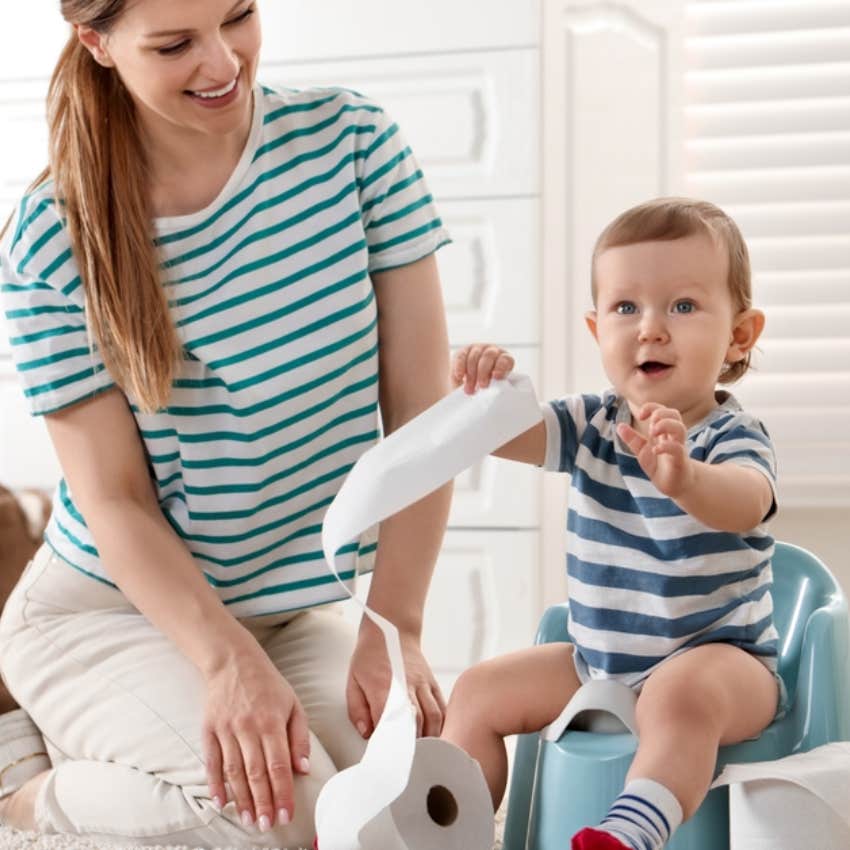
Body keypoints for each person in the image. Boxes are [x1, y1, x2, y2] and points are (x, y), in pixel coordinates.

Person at [0, 1, 453, 846]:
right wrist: (223, 665)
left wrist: (397, 630)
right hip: (108, 615)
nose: (223, 65)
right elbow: (116, 502)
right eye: (174, 45)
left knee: (394, 810)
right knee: (280, 824)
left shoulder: (352, 144)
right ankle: (29, 796)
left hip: (281, 606)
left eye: (238, 16)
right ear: (95, 43)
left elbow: (423, 416)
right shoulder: (50, 237)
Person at [442, 197, 782, 850]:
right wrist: (480, 392)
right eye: (627, 308)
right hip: (599, 660)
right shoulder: (591, 423)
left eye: (682, 306)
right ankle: (444, 827)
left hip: (723, 661)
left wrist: (684, 477)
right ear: (598, 330)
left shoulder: (732, 435)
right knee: (479, 690)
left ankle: (632, 831)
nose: (650, 329)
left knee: (675, 700)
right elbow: (502, 434)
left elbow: (746, 501)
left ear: (740, 335)